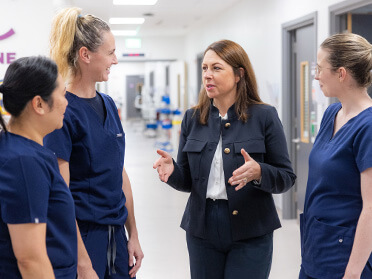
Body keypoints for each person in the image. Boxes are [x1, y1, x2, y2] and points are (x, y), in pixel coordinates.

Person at [153, 39, 296, 279]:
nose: (208, 75)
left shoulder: (264, 116)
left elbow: (286, 177)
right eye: (205, 68)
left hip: (251, 229)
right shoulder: (193, 118)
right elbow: (188, 180)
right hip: (202, 229)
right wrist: (172, 172)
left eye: (216, 68)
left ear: (239, 74)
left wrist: (260, 172)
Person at [44, 7, 143, 279]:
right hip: (84, 237)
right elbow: (60, 194)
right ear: (85, 55)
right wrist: (82, 262)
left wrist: (132, 234)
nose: (115, 60)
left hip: (116, 235)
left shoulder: (109, 105)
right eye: (110, 52)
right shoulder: (63, 111)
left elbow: (119, 172)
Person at [299, 33, 372, 279]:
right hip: (316, 248)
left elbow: (371, 207)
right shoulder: (331, 113)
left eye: (320, 68)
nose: (316, 75)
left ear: (341, 73)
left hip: (346, 259)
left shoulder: (368, 126)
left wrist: (353, 273)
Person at [0, 56, 77, 278]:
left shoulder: (25, 152)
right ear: (39, 104)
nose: (66, 102)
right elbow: (30, 259)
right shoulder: (24, 163)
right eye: (62, 94)